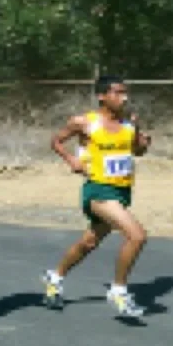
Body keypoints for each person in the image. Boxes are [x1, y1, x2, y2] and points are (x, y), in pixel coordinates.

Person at [41, 75, 150, 317]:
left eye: (125, 92)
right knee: (137, 236)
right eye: (118, 92)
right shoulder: (84, 122)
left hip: (122, 190)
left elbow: (138, 151)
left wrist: (142, 137)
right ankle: (119, 291)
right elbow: (56, 141)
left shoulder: (129, 123)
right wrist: (71, 159)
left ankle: (55, 277)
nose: (124, 97)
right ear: (102, 95)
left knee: (88, 243)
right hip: (97, 190)